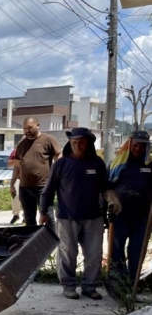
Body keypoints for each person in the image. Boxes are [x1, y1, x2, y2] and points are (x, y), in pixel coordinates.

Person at [39, 127, 121, 300]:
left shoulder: (97, 163)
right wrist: (43, 211)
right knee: (68, 253)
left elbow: (104, 187)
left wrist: (112, 197)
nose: (78, 146)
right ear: (70, 143)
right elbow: (48, 190)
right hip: (67, 217)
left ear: (89, 144)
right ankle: (68, 286)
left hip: (94, 217)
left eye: (82, 142)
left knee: (94, 255)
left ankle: (89, 287)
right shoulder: (61, 164)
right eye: (74, 142)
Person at [108, 130, 152, 291]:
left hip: (143, 217)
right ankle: (117, 281)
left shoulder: (149, 165)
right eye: (135, 145)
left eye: (142, 146)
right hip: (121, 214)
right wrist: (112, 201)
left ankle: (133, 282)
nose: (138, 149)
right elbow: (107, 188)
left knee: (137, 249)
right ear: (130, 145)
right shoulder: (117, 165)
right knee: (117, 249)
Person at [10, 117, 62, 227]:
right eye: (24, 128)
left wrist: (58, 179)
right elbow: (17, 166)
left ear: (38, 125)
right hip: (24, 187)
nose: (27, 130)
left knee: (47, 217)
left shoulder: (48, 139)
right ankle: (33, 242)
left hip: (43, 187)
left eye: (30, 127)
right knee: (29, 220)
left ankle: (51, 243)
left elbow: (59, 159)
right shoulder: (21, 143)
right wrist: (12, 184)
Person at [7, 148, 22, 224]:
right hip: (17, 178)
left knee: (27, 199)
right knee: (15, 197)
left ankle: (26, 217)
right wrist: (18, 161)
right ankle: (16, 215)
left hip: (30, 179)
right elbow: (9, 164)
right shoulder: (16, 151)